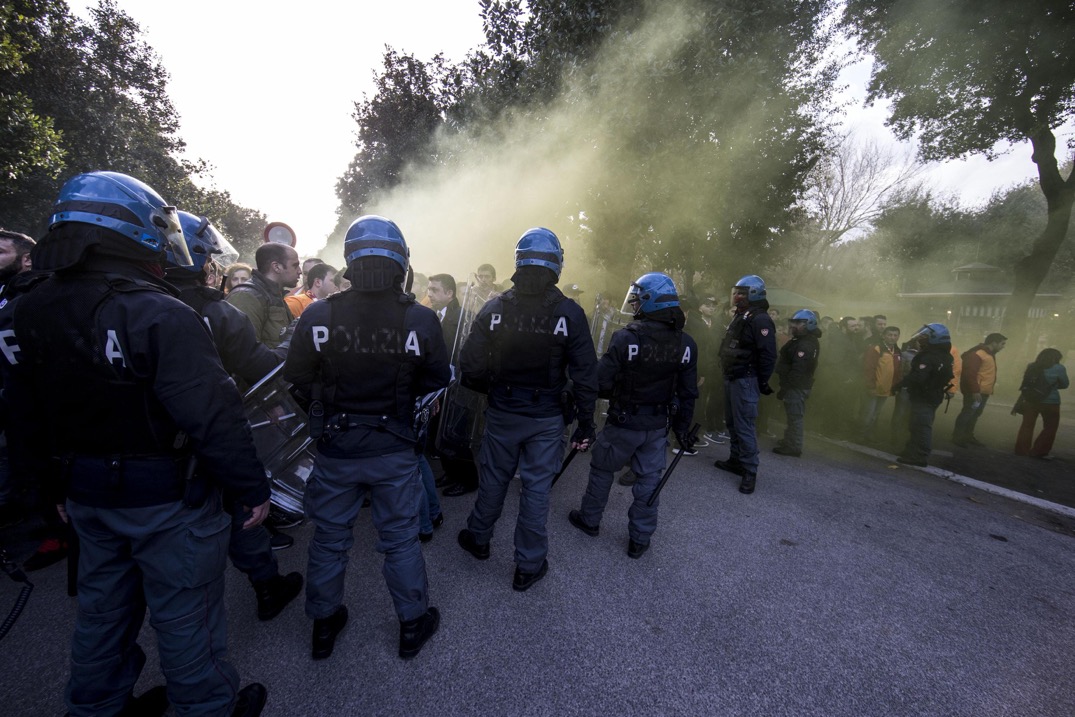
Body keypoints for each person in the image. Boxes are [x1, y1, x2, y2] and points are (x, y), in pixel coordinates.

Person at [0, 171, 269, 716]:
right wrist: (250, 488)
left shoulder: (26, 309)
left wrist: (49, 488)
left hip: (85, 496)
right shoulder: (160, 311)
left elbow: (22, 412)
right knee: (184, 616)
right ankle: (208, 707)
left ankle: (97, 708)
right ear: (133, 232)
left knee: (102, 615)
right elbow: (212, 416)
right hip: (168, 501)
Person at [283, 215, 451, 660]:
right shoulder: (421, 318)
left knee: (329, 538)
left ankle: (323, 624)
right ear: (401, 263)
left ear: (351, 261)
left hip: (336, 449)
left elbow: (297, 376)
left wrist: (328, 407)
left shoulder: (319, 313)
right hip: (394, 448)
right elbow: (437, 376)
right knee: (399, 539)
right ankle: (412, 624)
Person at [166, 211, 302, 621]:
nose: (213, 268)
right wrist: (293, 349)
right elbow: (252, 360)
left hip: (175, 441)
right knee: (236, 510)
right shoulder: (231, 304)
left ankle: (266, 584)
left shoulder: (132, 303)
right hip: (212, 426)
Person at [456, 227, 598, 591]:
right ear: (557, 265)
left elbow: (469, 366)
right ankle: (528, 565)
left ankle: (478, 538)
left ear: (519, 261)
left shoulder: (495, 307)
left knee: (493, 481)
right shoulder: (570, 313)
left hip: (503, 413)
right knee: (536, 491)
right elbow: (585, 374)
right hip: (547, 419)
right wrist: (586, 423)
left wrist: (495, 390)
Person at [567, 273, 697, 558]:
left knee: (602, 469)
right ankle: (640, 538)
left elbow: (601, 382)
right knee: (649, 481)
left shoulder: (627, 338)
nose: (634, 305)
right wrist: (682, 429)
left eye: (638, 299)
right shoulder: (686, 344)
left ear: (650, 302)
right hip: (657, 426)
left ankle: (589, 520)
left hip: (623, 423)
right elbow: (688, 393)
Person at [712, 275, 776, 494]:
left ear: (754, 294)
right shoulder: (742, 316)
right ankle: (736, 461)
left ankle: (750, 471)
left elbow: (768, 355)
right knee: (732, 423)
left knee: (744, 425)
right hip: (733, 376)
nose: (736, 296)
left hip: (746, 379)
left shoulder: (761, 320)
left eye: (742, 292)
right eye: (736, 292)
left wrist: (762, 381)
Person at [896, 323, 955, 467]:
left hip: (924, 396)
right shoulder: (945, 356)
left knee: (921, 426)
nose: (921, 339)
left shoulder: (928, 357)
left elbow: (918, 377)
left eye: (924, 337)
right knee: (916, 424)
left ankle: (919, 456)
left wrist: (900, 384)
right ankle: (911, 451)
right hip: (933, 395)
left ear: (934, 339)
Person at [226, 242, 301, 347]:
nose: (300, 271)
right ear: (277, 267)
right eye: (295, 265)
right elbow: (243, 352)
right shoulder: (245, 297)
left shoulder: (274, 295)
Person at [773, 309, 822, 457]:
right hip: (795, 385)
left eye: (799, 323)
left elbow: (798, 369)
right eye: (793, 322)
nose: (794, 325)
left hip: (796, 386)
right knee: (792, 415)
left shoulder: (805, 344)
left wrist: (786, 387)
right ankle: (789, 440)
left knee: (795, 416)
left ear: (809, 325)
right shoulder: (802, 339)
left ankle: (794, 446)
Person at [952, 332, 1007, 447]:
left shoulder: (988, 354)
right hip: (976, 392)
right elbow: (969, 374)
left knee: (974, 414)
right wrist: (975, 390)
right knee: (968, 413)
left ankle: (967, 436)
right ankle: (958, 437)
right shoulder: (978, 354)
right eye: (1002, 344)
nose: (1003, 347)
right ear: (993, 343)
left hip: (982, 391)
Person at [1014, 348, 1068, 459]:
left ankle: (1021, 450)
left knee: (1027, 425)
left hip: (1031, 400)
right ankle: (1039, 451)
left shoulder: (1032, 366)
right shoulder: (1059, 368)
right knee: (1050, 427)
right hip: (1051, 402)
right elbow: (1065, 384)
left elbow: (1026, 383)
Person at [859, 325, 902, 443]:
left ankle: (867, 434)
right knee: (868, 414)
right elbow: (869, 368)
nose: (892, 338)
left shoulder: (897, 351)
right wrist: (871, 386)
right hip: (874, 388)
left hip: (885, 390)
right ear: (883, 336)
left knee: (875, 414)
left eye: (895, 335)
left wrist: (895, 386)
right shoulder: (876, 349)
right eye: (890, 335)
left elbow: (897, 371)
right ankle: (861, 435)